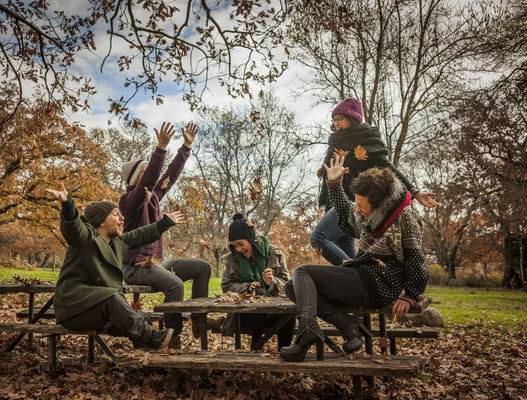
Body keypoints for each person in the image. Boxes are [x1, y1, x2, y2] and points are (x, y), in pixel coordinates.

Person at [280, 156, 429, 362]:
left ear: (381, 205)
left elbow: (415, 259)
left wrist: (410, 294)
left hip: (382, 283)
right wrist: (333, 183)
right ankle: (348, 326)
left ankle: (307, 330)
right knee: (292, 286)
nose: (357, 209)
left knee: (302, 271)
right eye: (357, 203)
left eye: (362, 205)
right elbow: (344, 208)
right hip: (363, 274)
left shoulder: (406, 217)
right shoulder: (364, 212)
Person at [119, 121, 224, 348]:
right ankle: (172, 337)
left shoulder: (154, 194)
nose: (152, 176)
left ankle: (198, 322)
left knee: (202, 267)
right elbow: (149, 180)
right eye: (146, 172)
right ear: (135, 178)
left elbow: (171, 174)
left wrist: (185, 146)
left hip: (159, 262)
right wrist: (161, 149)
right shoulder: (130, 200)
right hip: (136, 266)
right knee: (176, 285)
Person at [45, 183, 185, 350]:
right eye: (116, 214)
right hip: (75, 309)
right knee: (112, 298)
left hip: (99, 309)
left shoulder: (117, 242)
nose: (122, 218)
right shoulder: (85, 237)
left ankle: (149, 366)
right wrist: (68, 204)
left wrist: (164, 223)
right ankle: (152, 337)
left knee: (143, 318)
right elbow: (73, 227)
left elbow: (140, 235)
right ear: (102, 221)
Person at [311, 97, 438, 266]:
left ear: (353, 117)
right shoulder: (338, 140)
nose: (336, 123)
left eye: (340, 118)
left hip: (349, 204)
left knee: (319, 238)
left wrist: (414, 192)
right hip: (331, 202)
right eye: (334, 120)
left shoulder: (365, 143)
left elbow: (388, 168)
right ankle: (360, 285)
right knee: (348, 255)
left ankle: (361, 270)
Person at [221, 213, 295, 350]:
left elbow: (288, 287)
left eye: (241, 244)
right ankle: (256, 348)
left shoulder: (275, 253)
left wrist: (271, 282)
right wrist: (247, 287)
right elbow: (226, 287)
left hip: (275, 312)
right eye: (234, 246)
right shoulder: (232, 259)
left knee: (289, 313)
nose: (238, 249)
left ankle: (284, 352)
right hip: (244, 314)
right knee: (258, 293)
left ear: (251, 239)